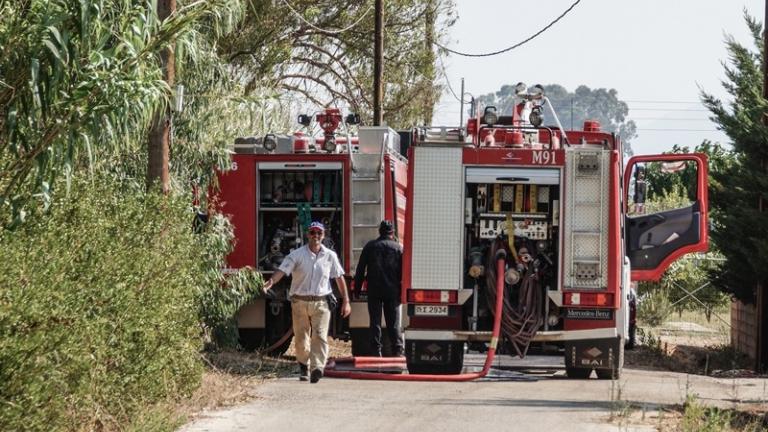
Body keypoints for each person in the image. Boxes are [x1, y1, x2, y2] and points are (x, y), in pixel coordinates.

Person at [263, 221, 351, 383]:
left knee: (320, 335)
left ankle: (317, 368)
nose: (315, 236)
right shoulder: (296, 255)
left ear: (323, 236)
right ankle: (304, 366)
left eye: (319, 233)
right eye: (312, 233)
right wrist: (271, 282)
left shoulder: (330, 256)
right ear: (307, 235)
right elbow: (282, 271)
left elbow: (339, 278)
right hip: (299, 302)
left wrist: (346, 300)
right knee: (302, 337)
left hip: (321, 302)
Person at [354, 220, 405, 357]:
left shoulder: (370, 246)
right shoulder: (399, 248)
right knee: (393, 322)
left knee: (375, 321)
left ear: (379, 231)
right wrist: (402, 291)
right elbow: (403, 272)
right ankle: (397, 350)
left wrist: (357, 290)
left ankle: (376, 351)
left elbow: (360, 270)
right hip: (392, 291)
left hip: (374, 290)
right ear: (392, 232)